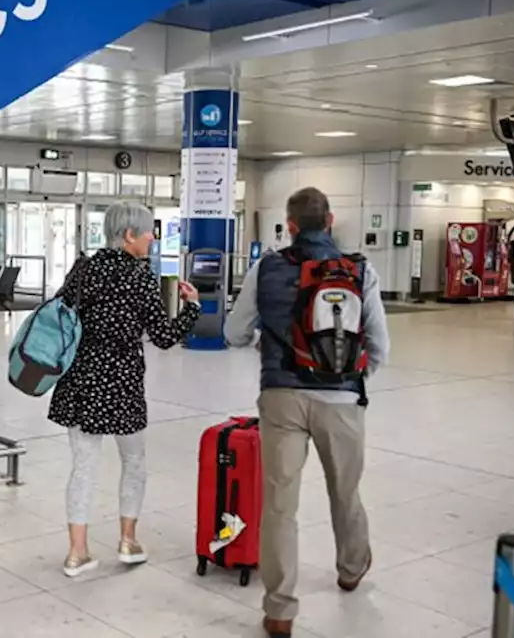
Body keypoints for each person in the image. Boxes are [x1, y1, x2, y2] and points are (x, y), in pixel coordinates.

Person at [224, 187, 390, 638]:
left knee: (280, 505)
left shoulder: (268, 266)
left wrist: (265, 341)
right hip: (341, 399)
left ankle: (279, 610)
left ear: (290, 225)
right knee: (345, 490)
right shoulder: (359, 269)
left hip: (281, 398)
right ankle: (352, 567)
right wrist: (350, 374)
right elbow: (380, 345)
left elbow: (235, 331)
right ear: (331, 220)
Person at [49, 202, 201, 577]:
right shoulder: (140, 276)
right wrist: (192, 307)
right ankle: (128, 541)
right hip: (121, 382)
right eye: (149, 231)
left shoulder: (83, 268)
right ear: (130, 235)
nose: (153, 238)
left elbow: (61, 316)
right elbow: (164, 337)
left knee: (83, 467)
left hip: (80, 380)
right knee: (134, 461)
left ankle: (76, 552)